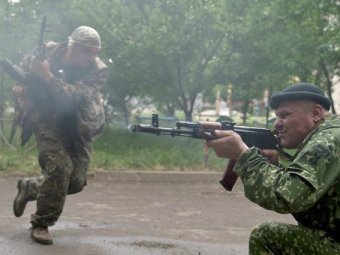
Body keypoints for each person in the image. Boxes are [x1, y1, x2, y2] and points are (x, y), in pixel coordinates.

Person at [207, 83, 340, 254]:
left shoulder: (326, 140)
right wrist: (276, 164)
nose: (277, 124)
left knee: (265, 235)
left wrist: (243, 155)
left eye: (284, 115)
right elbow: (311, 198)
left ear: (315, 113)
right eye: (277, 116)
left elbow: (288, 197)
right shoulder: (331, 133)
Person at [12, 26, 108, 245]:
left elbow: (77, 98)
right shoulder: (46, 52)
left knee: (74, 182)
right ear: (72, 46)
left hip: (78, 125)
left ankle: (29, 188)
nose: (90, 57)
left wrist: (47, 76)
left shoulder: (98, 70)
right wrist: (20, 85)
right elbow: (24, 72)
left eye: (95, 52)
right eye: (86, 51)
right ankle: (41, 223)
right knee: (60, 170)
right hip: (46, 118)